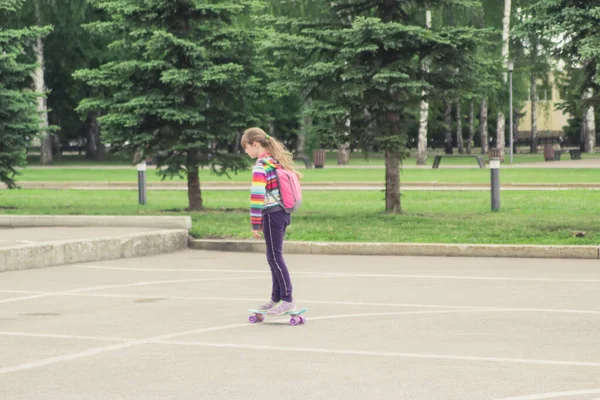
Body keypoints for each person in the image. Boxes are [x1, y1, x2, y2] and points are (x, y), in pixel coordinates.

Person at [241, 127, 301, 316]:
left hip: (271, 214)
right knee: (273, 256)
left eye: (246, 147)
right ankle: (276, 298)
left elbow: (257, 196)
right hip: (283, 213)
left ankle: (288, 299)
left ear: (255, 144)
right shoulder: (275, 162)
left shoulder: (261, 166)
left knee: (275, 257)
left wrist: (255, 223)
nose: (245, 151)